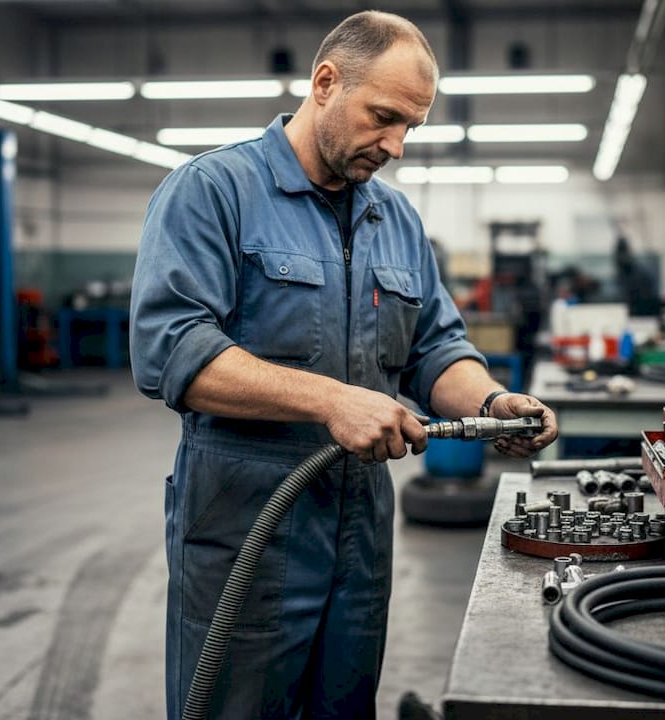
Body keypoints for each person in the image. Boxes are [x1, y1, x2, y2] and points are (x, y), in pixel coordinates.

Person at [129, 11, 558, 719]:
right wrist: (330, 401)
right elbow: (169, 349)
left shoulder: (397, 220)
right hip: (248, 533)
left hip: (359, 540)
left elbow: (435, 348)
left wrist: (488, 403)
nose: (395, 145)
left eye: (410, 128)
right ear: (325, 82)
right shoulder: (213, 192)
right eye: (384, 117)